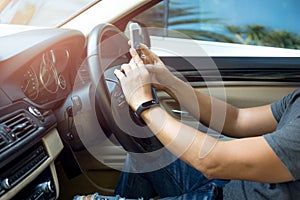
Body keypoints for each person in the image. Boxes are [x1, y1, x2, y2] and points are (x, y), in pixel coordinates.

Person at [74, 44, 300, 200]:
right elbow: (237, 120)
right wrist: (168, 81)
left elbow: (213, 162)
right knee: (146, 154)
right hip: (236, 185)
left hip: (234, 189)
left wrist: (144, 105)